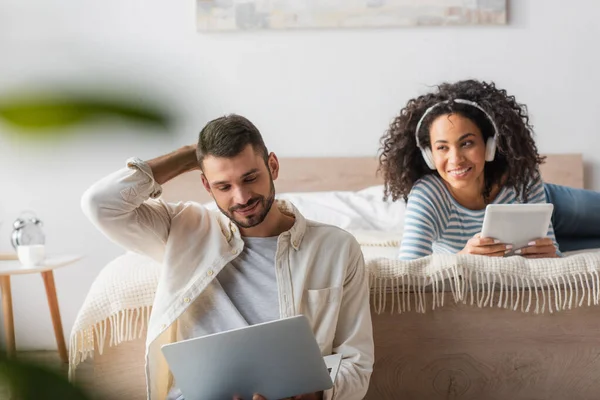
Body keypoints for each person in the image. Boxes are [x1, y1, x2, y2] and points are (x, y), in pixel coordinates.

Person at [81, 114, 374, 400]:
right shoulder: (182, 228)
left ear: (272, 166)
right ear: (206, 186)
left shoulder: (336, 248)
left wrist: (315, 393)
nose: (242, 197)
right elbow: (100, 203)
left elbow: (357, 364)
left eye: (250, 178)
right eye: (224, 186)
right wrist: (188, 156)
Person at [378, 79, 600, 260]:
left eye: (467, 143)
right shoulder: (428, 195)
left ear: (489, 146)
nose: (455, 159)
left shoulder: (521, 178)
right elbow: (409, 270)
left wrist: (551, 254)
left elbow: (553, 253)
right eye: (442, 147)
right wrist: (462, 258)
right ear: (429, 156)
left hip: (547, 200)